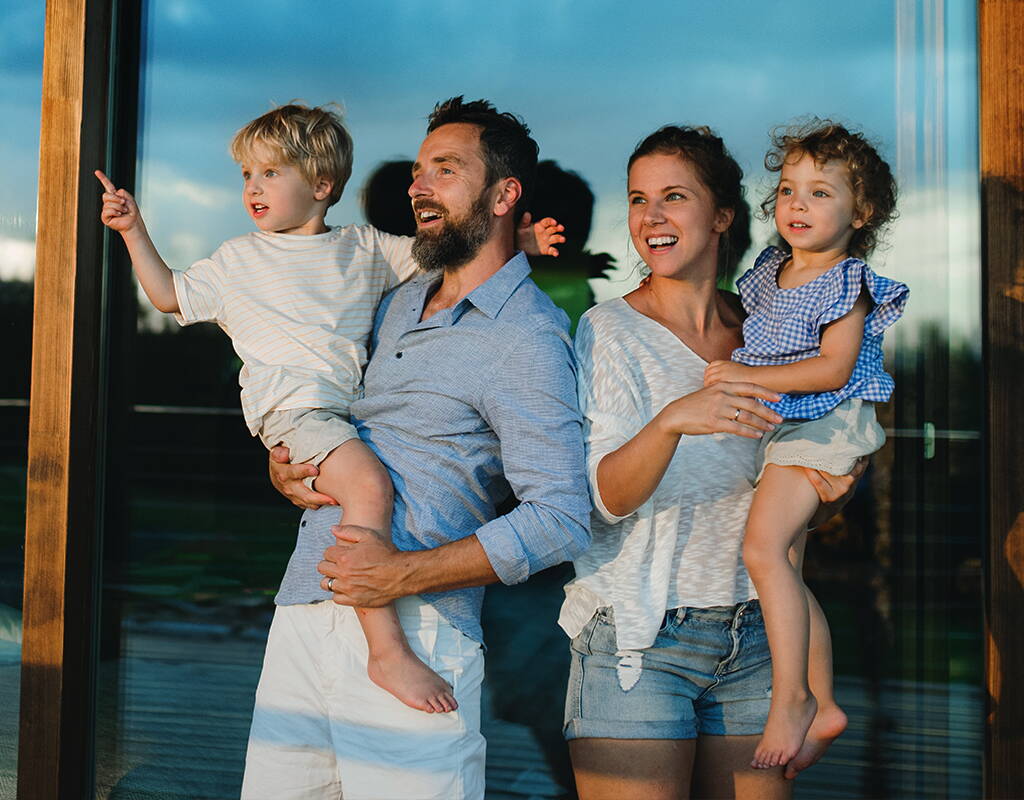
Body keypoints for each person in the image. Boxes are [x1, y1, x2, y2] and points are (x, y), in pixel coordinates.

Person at [95, 103, 563, 717]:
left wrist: (518, 241)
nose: (253, 188)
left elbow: (444, 255)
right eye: (246, 175)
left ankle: (382, 634)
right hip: (296, 435)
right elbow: (166, 293)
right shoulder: (241, 261)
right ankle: (385, 644)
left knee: (361, 482)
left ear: (322, 186)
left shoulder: (373, 256)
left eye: (270, 173)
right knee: (368, 483)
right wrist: (133, 230)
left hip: (359, 476)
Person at [252, 97, 591, 800]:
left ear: (504, 194)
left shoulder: (526, 335)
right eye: (417, 170)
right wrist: (285, 464)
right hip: (304, 606)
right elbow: (319, 400)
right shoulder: (396, 301)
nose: (418, 185)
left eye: (445, 168)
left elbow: (560, 515)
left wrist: (399, 576)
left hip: (421, 630)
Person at [559, 125, 864, 800]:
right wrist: (672, 420)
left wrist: (837, 474)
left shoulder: (771, 332)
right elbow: (605, 497)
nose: (651, 218)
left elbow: (804, 458)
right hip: (640, 639)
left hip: (761, 640)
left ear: (722, 215)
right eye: (639, 200)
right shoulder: (609, 329)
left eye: (674, 196)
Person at [703, 121, 908, 769]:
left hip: (827, 422)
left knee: (760, 549)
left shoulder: (846, 281)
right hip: (785, 428)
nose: (797, 203)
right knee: (783, 566)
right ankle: (824, 701)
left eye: (821, 193)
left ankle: (790, 699)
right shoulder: (769, 271)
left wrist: (744, 375)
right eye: (789, 189)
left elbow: (833, 370)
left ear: (861, 212)